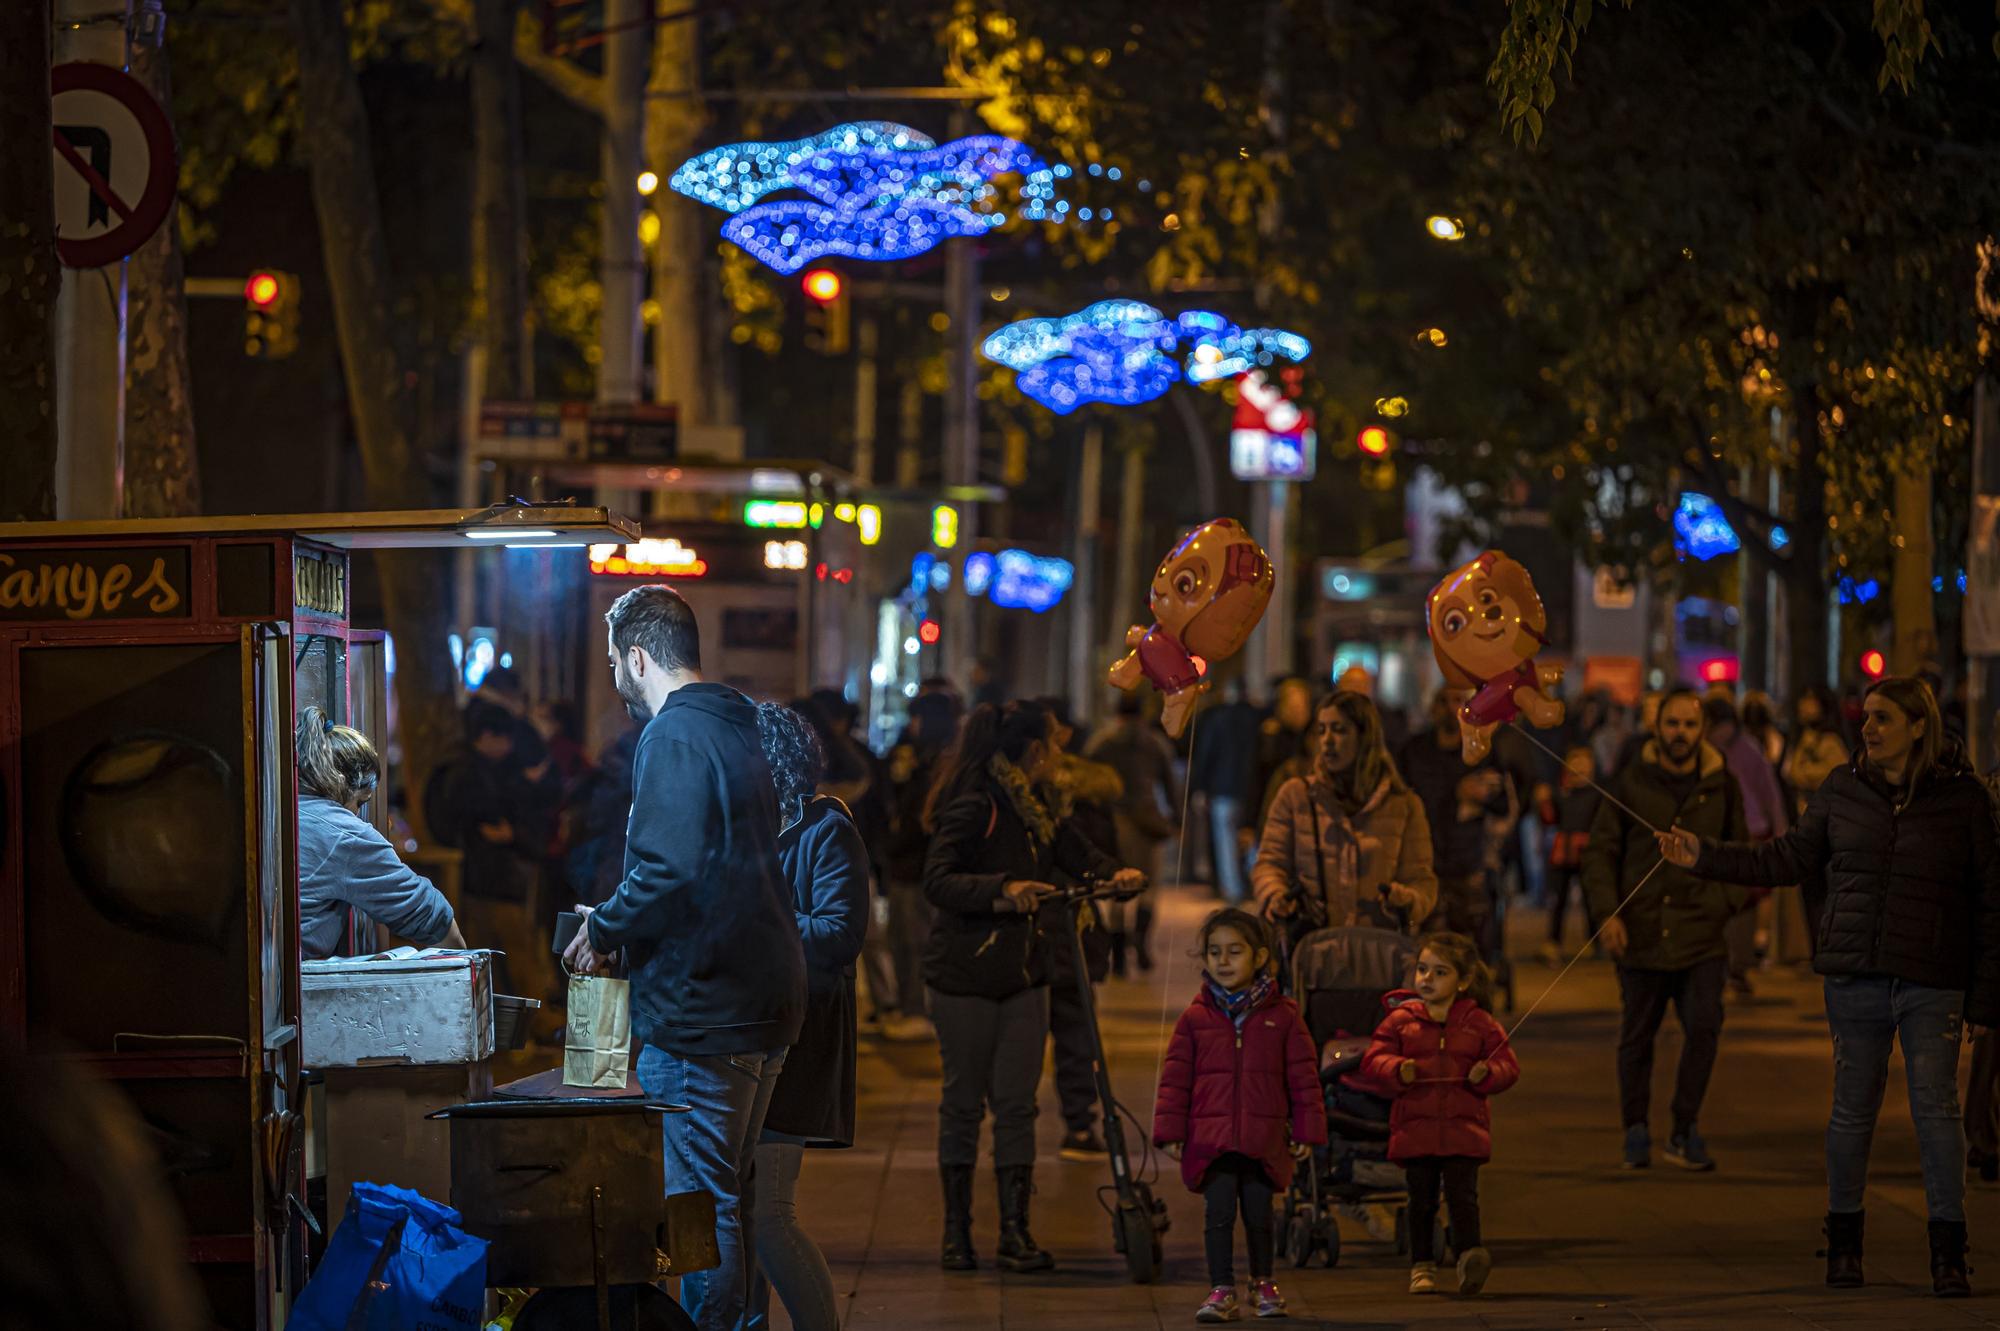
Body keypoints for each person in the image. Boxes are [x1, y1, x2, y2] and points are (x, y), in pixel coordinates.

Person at [1659, 676, 2000, 1298]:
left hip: (1933, 978)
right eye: (1866, 718)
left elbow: (1989, 902)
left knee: (1936, 1111)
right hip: (1856, 975)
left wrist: (1985, 998)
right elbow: (1786, 859)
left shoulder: (1963, 801)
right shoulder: (1842, 790)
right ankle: (1844, 1244)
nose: (1867, 729)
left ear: (1918, 726)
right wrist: (1703, 856)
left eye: (1882, 720)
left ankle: (1949, 1252)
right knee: (1850, 1112)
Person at [563, 585, 806, 1331]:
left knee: (702, 1200)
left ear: (638, 657)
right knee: (731, 1186)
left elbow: (667, 868)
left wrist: (602, 928)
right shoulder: (739, 725)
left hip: (708, 1007)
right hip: (764, 995)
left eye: (613, 662)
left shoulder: (671, 735)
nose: (612, 679)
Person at [922, 701, 1146, 1273]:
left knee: (1018, 1107)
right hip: (966, 976)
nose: (1060, 752)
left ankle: (1015, 1232)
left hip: (1025, 974)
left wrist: (1111, 875)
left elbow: (1074, 852)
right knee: (964, 1106)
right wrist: (1003, 889)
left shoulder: (1036, 807)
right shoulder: (975, 805)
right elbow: (939, 879)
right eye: (1052, 743)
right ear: (1034, 751)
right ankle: (956, 1233)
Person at [1582, 688, 1747, 1173]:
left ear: (1703, 729)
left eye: (1690, 725)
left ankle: (1684, 1126)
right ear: (1658, 727)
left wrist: (1723, 903)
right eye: (1672, 724)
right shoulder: (1630, 781)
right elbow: (1600, 852)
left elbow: (1742, 852)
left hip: (1702, 933)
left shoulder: (1722, 784)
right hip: (1642, 932)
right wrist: (1608, 914)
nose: (1681, 734)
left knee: (1704, 1026)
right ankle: (1635, 1128)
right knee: (1637, 1036)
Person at [745, 703, 869, 1331]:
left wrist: (758, 921)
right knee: (740, 1220)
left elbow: (840, 933)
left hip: (799, 1038)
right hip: (750, 1034)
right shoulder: (751, 828)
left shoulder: (826, 829)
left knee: (769, 1215)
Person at [1153, 909, 1325, 1322]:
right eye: (1214, 952)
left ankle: (1264, 1281)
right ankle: (1221, 1287)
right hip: (1210, 1138)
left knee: (1260, 1213)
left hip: (1263, 1137)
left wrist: (1306, 1130)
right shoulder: (1195, 1018)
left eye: (1234, 951)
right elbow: (1175, 1079)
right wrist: (1170, 1132)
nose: (1223, 961)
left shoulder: (1283, 1016)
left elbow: (1304, 1078)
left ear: (1260, 957)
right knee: (1218, 1214)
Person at [1361, 931, 1519, 1297]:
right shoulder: (1401, 1020)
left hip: (1464, 1129)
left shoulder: (1479, 1022)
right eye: (1422, 969)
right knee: (1421, 1199)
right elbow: (1373, 1058)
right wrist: (1397, 1068)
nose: (1427, 979)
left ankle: (1468, 1257)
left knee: (1464, 1198)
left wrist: (1488, 1074)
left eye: (1440, 972)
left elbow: (1507, 1065)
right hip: (1416, 1129)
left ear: (1463, 981)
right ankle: (1422, 1264)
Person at [1256, 690, 1438, 936]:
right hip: (1314, 950)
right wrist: (1275, 895)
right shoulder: (1296, 796)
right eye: (1321, 730)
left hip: (1377, 954)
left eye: (1339, 730)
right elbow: (1270, 863)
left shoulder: (1404, 805)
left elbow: (1421, 881)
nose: (1327, 740)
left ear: (1365, 736)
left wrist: (1406, 901)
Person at [294, 705, 461, 959]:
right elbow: (426, 911)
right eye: (360, 802)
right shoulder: (343, 833)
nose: (358, 815)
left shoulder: (285, 809)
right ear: (339, 783)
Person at [1037, 697, 1123, 1161]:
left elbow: (1099, 853)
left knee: (1067, 1032)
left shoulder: (1073, 796)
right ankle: (1074, 1122)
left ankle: (1074, 1122)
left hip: (1067, 926)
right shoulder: (1036, 798)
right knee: (1065, 1033)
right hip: (1057, 926)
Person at [1398, 690, 1514, 951]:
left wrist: (1482, 794)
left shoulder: (1482, 751)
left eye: (1458, 701)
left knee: (1471, 943)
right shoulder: (1414, 750)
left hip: (1468, 862)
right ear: (1432, 708)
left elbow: (1503, 803)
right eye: (1443, 701)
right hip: (1425, 860)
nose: (1450, 709)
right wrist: (1457, 793)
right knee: (1429, 943)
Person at [1085, 693, 1179, 974]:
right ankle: (1140, 941)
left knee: (1116, 889)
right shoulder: (1154, 743)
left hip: (1113, 821)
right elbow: (1169, 782)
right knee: (1148, 888)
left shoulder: (1102, 743)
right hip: (1147, 819)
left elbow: (1088, 780)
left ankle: (1118, 956)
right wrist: (1174, 816)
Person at [1705, 695, 1788, 997]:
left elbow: (1769, 792)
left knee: (1745, 900)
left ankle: (1738, 964)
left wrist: (1779, 829)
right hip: (1718, 832)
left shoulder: (1747, 751)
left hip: (1752, 831)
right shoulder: (1706, 752)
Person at [1189, 676, 1262, 905]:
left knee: (1226, 841)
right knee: (1253, 839)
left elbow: (1206, 754)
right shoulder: (1257, 719)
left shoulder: (1217, 719)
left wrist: (1200, 786)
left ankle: (1233, 889)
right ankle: (1257, 882)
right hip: (1251, 789)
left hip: (1223, 788)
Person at [1538, 744, 1601, 965]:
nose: (1579, 767)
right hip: (1563, 851)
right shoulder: (1561, 793)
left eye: (1584, 763)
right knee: (1558, 899)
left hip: (1587, 852)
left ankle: (1596, 942)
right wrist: (1545, 802)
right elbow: (1549, 819)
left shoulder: (1597, 794)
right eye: (1575, 762)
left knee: (1591, 899)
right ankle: (1553, 942)